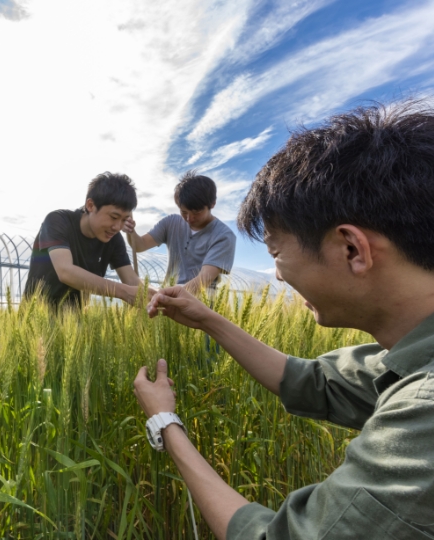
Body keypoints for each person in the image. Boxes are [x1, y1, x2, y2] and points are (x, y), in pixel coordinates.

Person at [133, 101, 434, 539]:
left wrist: (165, 424)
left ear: (352, 249)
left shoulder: (424, 412)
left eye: (275, 252)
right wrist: (210, 321)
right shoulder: (409, 357)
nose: (274, 272)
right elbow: (316, 382)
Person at [23, 171, 154, 308]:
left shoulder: (114, 239)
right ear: (90, 205)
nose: (117, 227)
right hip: (36, 317)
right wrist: (124, 292)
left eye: (124, 220)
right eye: (114, 217)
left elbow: (132, 280)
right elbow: (65, 271)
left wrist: (162, 295)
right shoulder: (57, 221)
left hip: (76, 323)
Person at [124, 171, 236, 295]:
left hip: (200, 301)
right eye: (184, 212)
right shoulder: (171, 222)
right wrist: (131, 232)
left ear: (212, 204)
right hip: (169, 296)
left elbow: (204, 279)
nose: (189, 219)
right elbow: (140, 245)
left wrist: (166, 297)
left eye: (196, 213)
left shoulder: (224, 235)